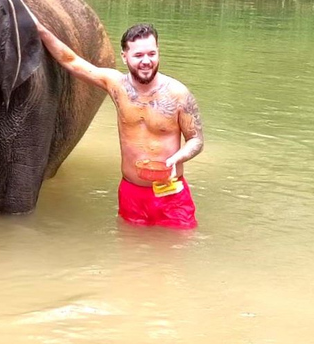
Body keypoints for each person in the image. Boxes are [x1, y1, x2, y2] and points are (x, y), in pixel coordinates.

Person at [33, 18, 204, 229]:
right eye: (138, 55)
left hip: (170, 192)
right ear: (124, 57)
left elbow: (196, 140)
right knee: (130, 252)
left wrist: (177, 158)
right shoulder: (116, 85)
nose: (146, 61)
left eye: (151, 54)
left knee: (177, 254)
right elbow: (72, 61)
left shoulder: (178, 94)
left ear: (158, 52)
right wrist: (40, 28)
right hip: (131, 192)